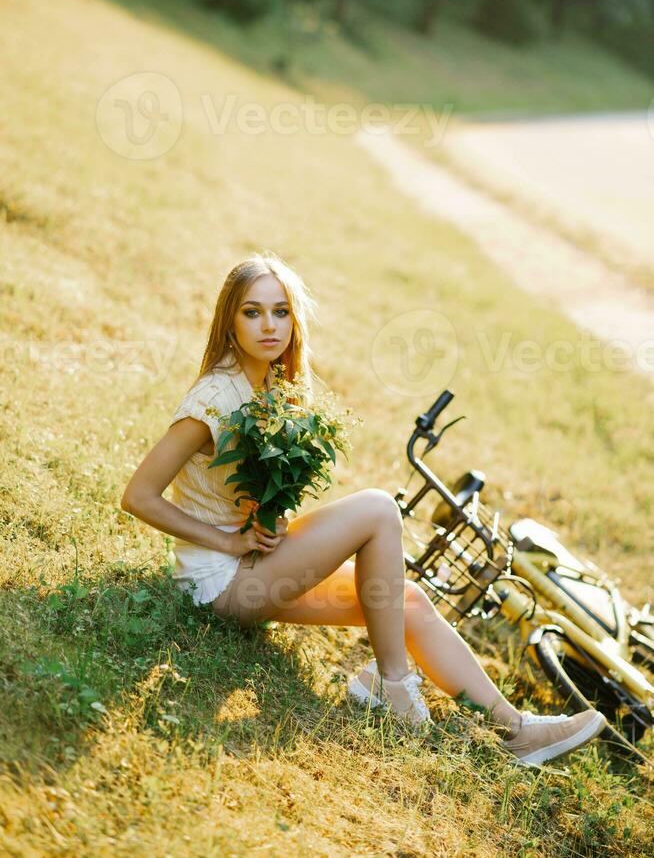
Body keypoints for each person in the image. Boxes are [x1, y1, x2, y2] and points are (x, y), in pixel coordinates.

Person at [121, 251, 606, 768]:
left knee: (408, 602)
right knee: (377, 509)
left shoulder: (268, 385)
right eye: (253, 312)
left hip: (257, 570)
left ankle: (516, 732)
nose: (269, 325)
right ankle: (394, 685)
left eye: (281, 311)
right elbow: (139, 495)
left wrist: (264, 519)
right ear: (229, 321)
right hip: (218, 585)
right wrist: (227, 541)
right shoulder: (214, 398)